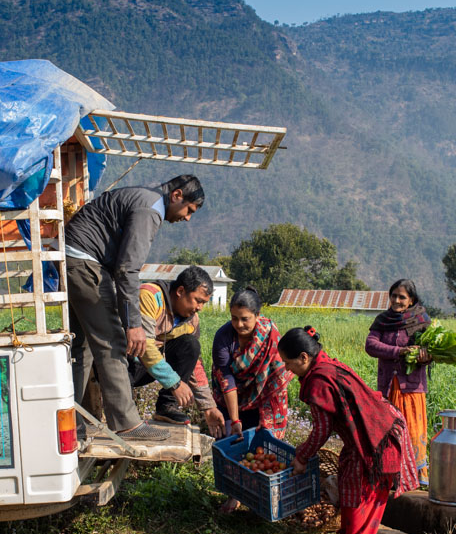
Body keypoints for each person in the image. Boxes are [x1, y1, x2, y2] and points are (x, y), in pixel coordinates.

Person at [65, 175, 204, 439]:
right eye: (189, 210)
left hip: (75, 258)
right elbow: (127, 269)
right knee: (112, 343)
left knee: (81, 349)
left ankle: (74, 422)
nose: (187, 218)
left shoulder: (143, 198)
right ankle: (127, 424)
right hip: (86, 263)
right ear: (176, 195)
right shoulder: (150, 210)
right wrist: (133, 324)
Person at [281, 326, 419, 534]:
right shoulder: (324, 366)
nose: (287, 369)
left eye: (288, 363)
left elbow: (322, 430)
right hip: (371, 429)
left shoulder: (318, 381)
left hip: (379, 433)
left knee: (359, 488)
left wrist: (301, 457)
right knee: (348, 479)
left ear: (304, 357)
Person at [128, 265, 225, 436]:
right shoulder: (150, 295)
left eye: (204, 303)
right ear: (180, 291)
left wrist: (208, 407)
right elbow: (146, 347)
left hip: (148, 368)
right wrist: (175, 383)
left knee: (190, 345)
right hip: (125, 362)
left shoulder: (191, 320)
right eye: (198, 300)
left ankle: (166, 406)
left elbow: (194, 363)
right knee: (126, 417)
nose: (200, 308)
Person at [365, 279, 433, 485]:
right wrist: (399, 351)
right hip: (387, 387)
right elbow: (371, 345)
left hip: (411, 389)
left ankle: (415, 478)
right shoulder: (383, 321)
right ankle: (392, 476)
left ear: (411, 300)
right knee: (390, 432)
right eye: (393, 295)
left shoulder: (420, 321)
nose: (396, 300)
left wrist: (424, 356)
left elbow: (432, 351)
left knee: (411, 430)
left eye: (402, 297)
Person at [211, 286, 292, 439]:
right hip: (229, 399)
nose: (239, 324)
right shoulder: (223, 337)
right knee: (230, 440)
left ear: (257, 315)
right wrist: (235, 420)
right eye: (234, 318)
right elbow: (226, 379)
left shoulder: (269, 333)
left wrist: (268, 416)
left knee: (259, 442)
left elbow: (276, 373)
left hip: (260, 398)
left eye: (245, 319)